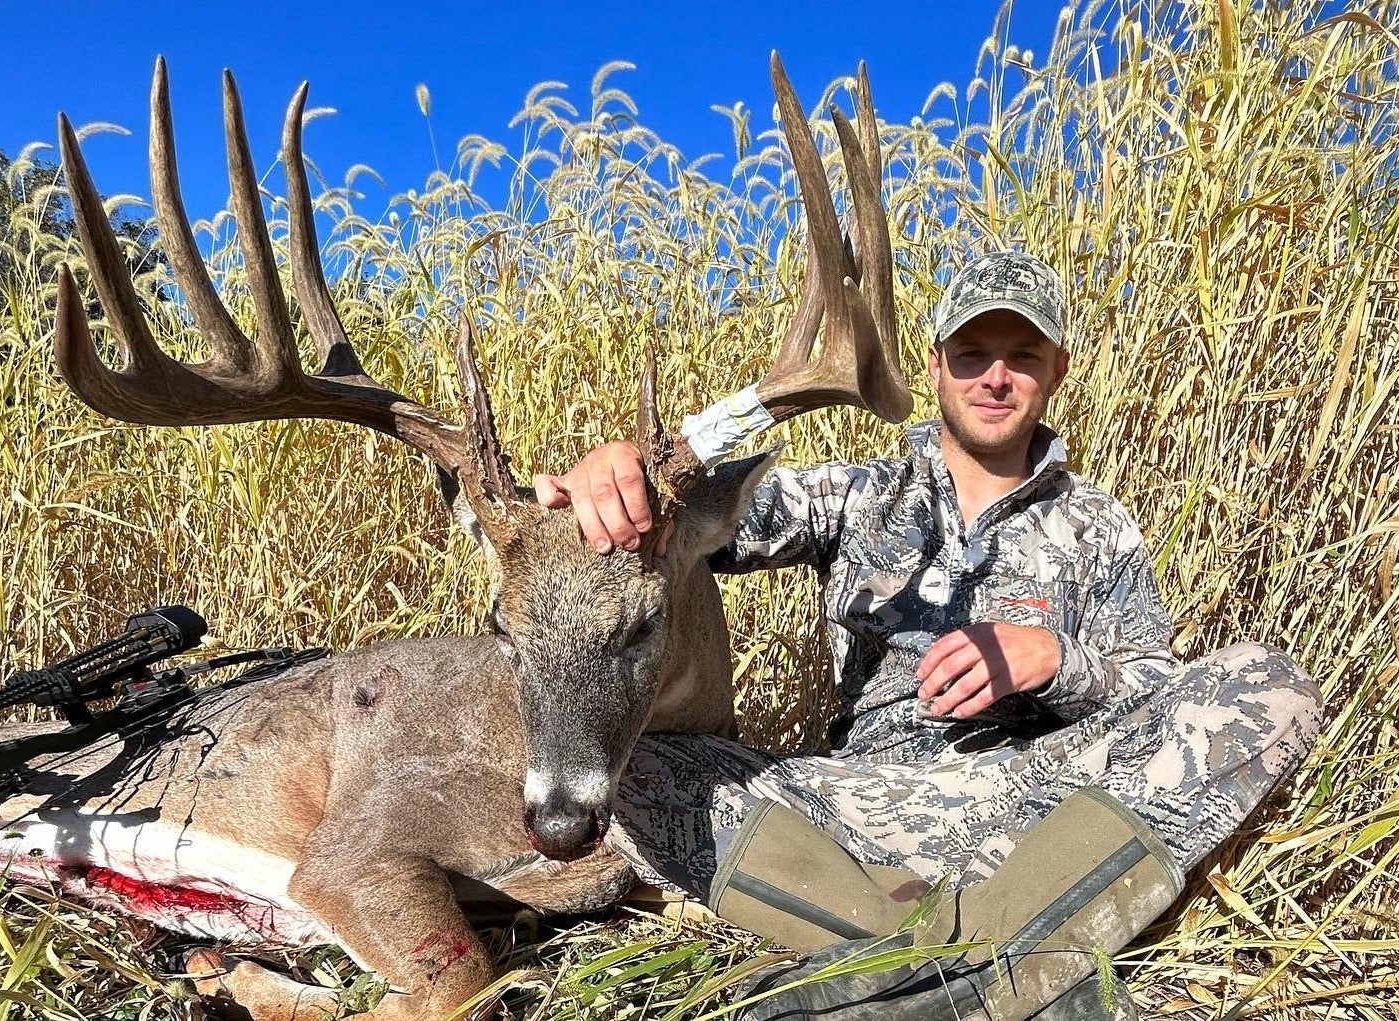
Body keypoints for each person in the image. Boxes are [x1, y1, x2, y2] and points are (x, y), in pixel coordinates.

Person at [535, 251, 1324, 1020]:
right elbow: (687, 527)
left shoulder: (1094, 522)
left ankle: (926, 976)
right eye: (972, 352)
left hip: (1048, 803)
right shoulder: (858, 495)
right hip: (858, 814)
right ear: (936, 360)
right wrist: (623, 471)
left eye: (1022, 355)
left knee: (1269, 684)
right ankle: (1022, 964)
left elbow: (1157, 687)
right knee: (640, 771)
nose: (995, 376)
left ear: (1057, 371)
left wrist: (1052, 661)